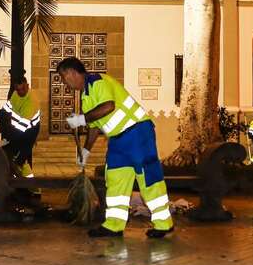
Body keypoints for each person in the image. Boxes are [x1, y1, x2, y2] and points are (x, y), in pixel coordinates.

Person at [57, 57, 173, 238]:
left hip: (137, 132)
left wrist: (81, 119)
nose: (64, 82)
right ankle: (114, 225)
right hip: (118, 140)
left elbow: (108, 106)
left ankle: (164, 223)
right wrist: (86, 151)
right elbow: (95, 126)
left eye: (63, 77)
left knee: (147, 176)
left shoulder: (97, 81)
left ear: (71, 72)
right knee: (115, 178)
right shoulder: (86, 95)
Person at [0, 75, 40, 179]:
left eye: (23, 89)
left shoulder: (31, 102)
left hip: (29, 132)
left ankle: (31, 187)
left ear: (27, 85)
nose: (20, 92)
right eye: (18, 90)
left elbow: (21, 128)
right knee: (18, 160)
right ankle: (25, 185)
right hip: (16, 130)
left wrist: (5, 140)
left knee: (18, 160)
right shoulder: (15, 94)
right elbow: (8, 108)